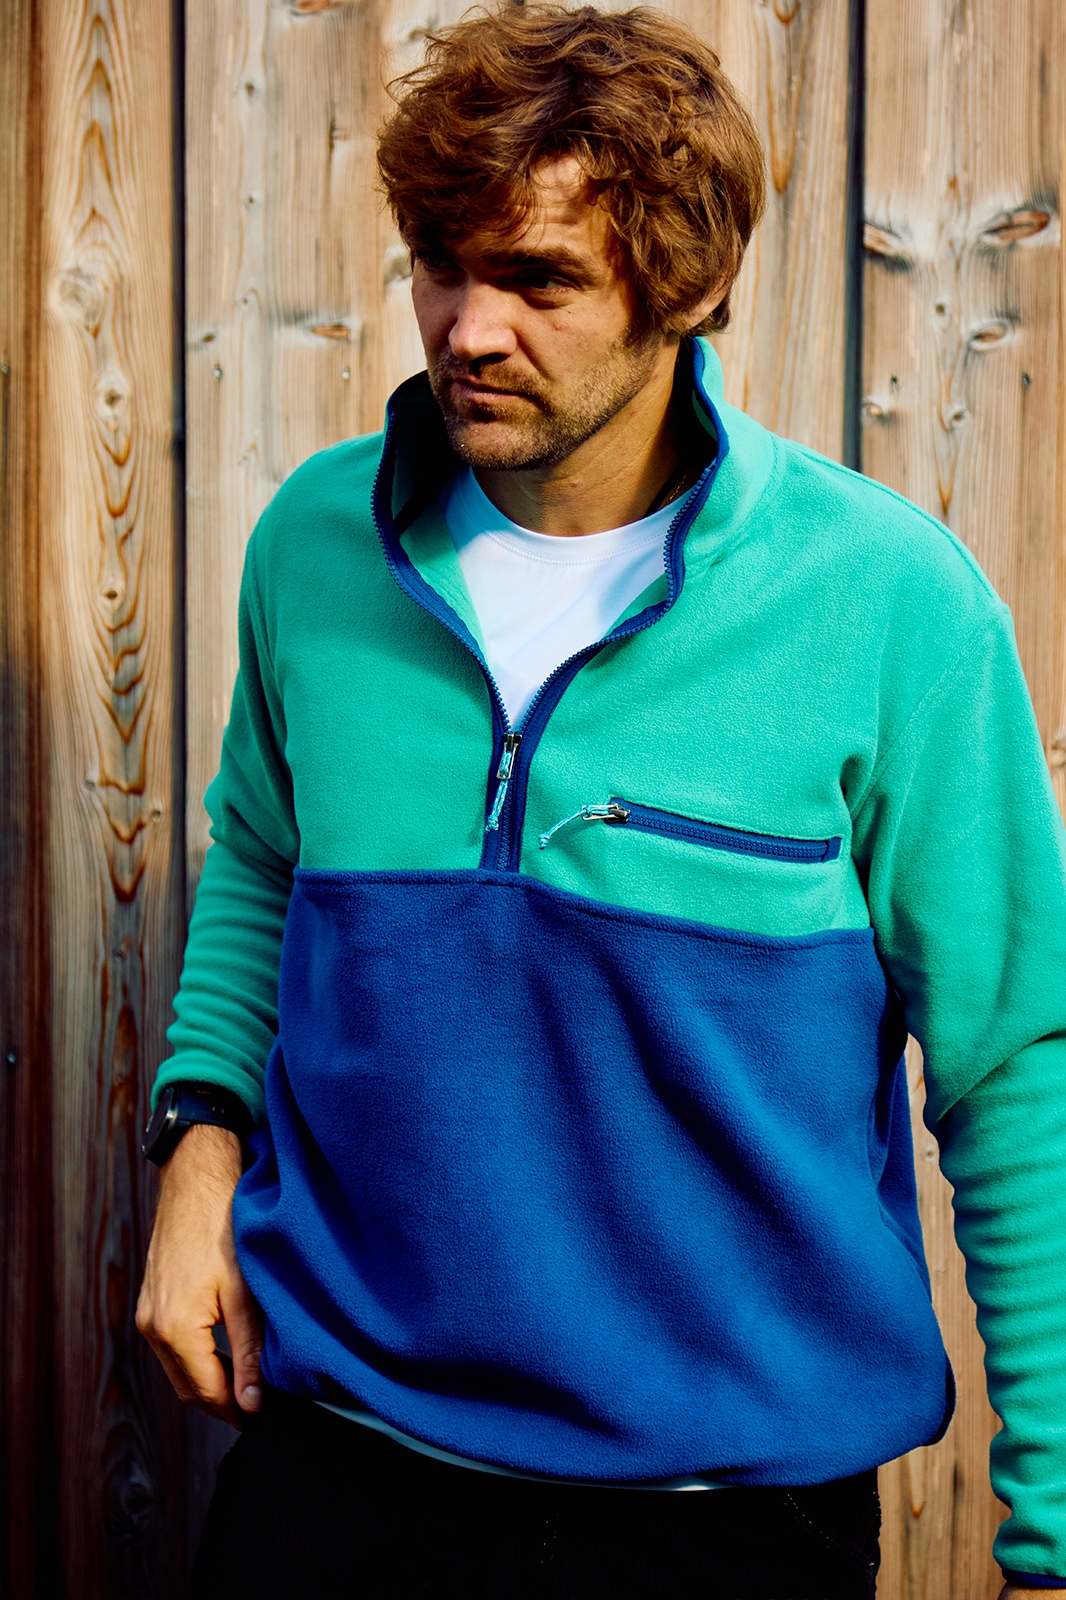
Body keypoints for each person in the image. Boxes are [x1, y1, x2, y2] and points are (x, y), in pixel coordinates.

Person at [136, 6, 1066, 1597]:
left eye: (539, 280)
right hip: (337, 1468)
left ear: (685, 289)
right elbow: (267, 871)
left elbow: (1014, 1068)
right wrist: (198, 1143)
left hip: (721, 1518)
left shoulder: (885, 604)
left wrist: (1051, 1545)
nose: (467, 328)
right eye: (441, 264)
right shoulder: (314, 547)